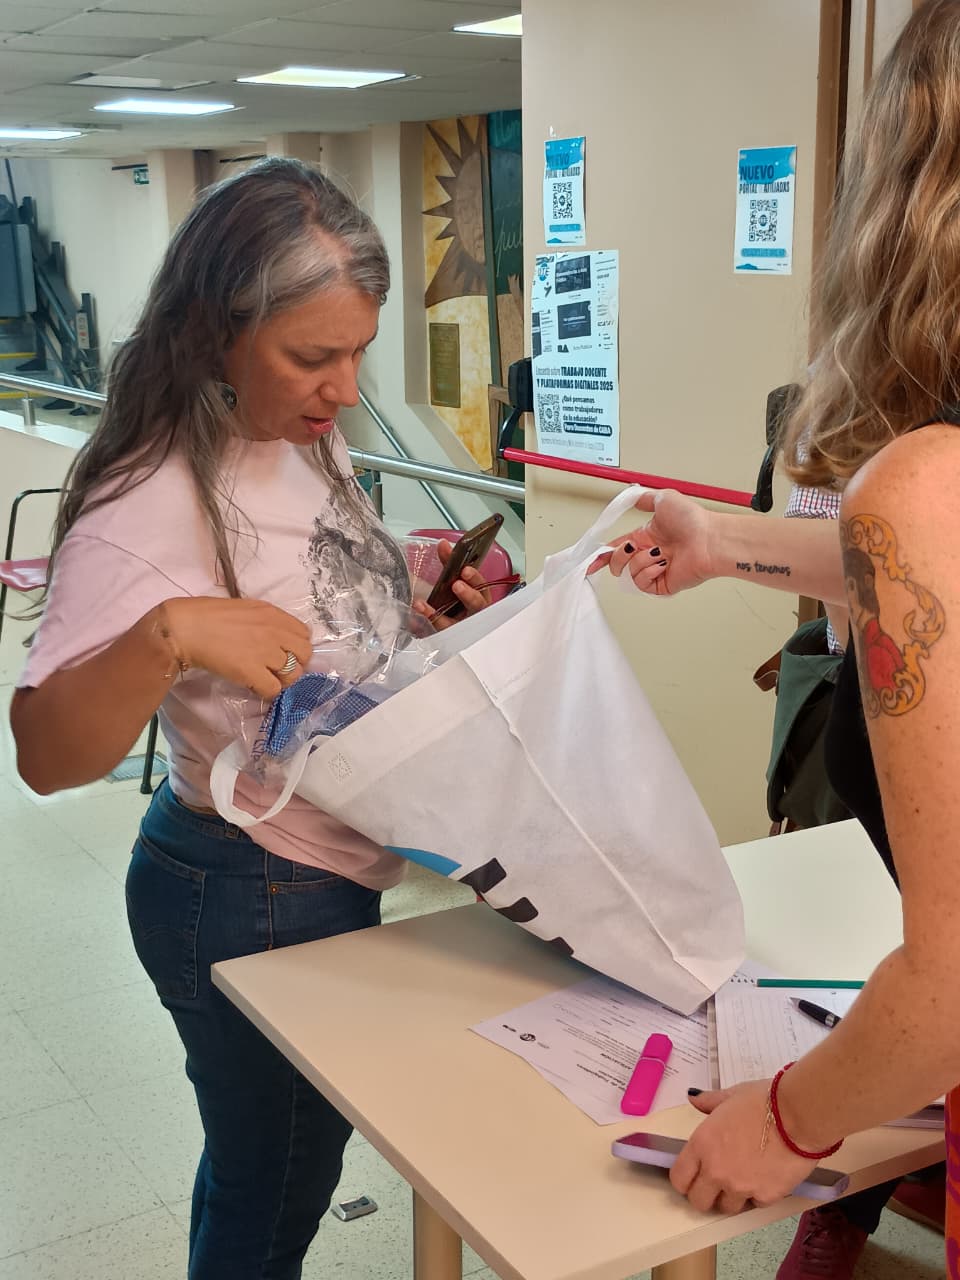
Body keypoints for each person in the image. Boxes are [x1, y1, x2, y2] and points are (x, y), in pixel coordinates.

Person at [8, 157, 489, 1280]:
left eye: (357, 352)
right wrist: (166, 636)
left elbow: (306, 593)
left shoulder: (299, 432)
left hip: (323, 868)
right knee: (274, 1186)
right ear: (216, 333)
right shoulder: (146, 502)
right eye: (312, 357)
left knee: (261, 1166)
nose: (343, 387)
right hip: (245, 885)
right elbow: (43, 755)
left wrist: (403, 611)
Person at [595, 3, 960, 1275]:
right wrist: (722, 543)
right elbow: (922, 569)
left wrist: (787, 1119)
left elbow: (951, 981)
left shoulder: (925, 480)